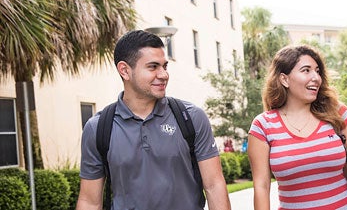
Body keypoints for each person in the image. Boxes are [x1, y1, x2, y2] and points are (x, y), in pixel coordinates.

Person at [76, 30, 231, 210]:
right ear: (125, 70)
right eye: (153, 67)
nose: (163, 74)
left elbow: (214, 185)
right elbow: (89, 201)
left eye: (164, 66)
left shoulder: (191, 117)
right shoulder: (99, 128)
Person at [248, 45, 347, 210]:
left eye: (317, 71)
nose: (316, 77)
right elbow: (261, 186)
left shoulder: (337, 113)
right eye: (306, 70)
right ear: (284, 79)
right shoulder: (263, 125)